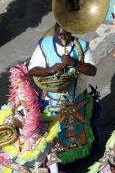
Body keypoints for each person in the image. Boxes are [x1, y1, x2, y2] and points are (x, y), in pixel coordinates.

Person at [0, 64, 70, 173]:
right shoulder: (11, 121)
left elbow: (52, 160)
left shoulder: (44, 134)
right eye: (18, 107)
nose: (18, 113)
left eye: (24, 110)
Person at [28, 23, 98, 163]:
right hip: (52, 100)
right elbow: (32, 70)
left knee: (78, 132)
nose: (63, 38)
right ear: (54, 32)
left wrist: (74, 63)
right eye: (59, 35)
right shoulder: (45, 44)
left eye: (66, 34)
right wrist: (51, 70)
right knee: (55, 134)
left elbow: (93, 71)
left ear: (71, 32)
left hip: (77, 100)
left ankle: (79, 158)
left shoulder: (82, 45)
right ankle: (58, 166)